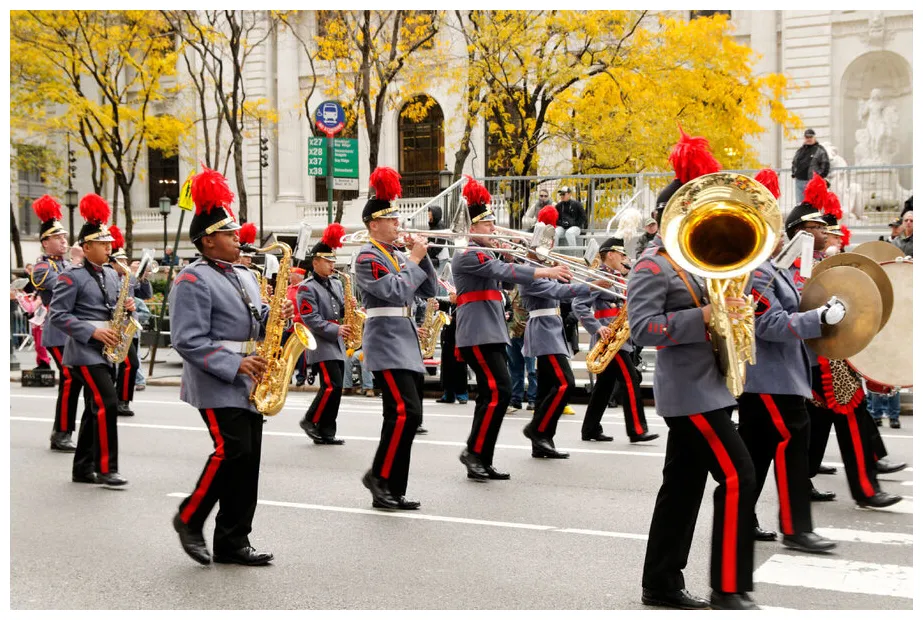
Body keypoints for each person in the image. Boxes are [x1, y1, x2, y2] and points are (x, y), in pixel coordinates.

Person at [632, 128, 759, 611]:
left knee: (682, 489)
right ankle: (728, 585)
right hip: (688, 393)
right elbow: (643, 329)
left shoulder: (701, 265)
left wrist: (733, 312)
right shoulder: (652, 267)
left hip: (709, 388)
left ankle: (660, 582)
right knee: (739, 475)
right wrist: (704, 316)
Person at [169, 165, 292, 566]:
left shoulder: (243, 273)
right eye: (230, 233)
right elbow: (187, 340)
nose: (239, 238)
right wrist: (235, 364)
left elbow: (257, 321)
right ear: (208, 241)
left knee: (248, 459)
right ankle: (189, 517)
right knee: (232, 450)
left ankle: (233, 541)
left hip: (249, 376)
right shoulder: (192, 279)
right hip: (217, 378)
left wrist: (280, 313)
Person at [737, 172, 838, 553]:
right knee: (792, 445)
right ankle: (796, 528)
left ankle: (744, 519)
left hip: (777, 379)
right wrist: (819, 318)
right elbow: (768, 324)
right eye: (776, 231)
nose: (783, 237)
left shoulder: (774, 271)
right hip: (769, 381)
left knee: (757, 456)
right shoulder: (757, 274)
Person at [787, 181, 903, 510]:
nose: (826, 232)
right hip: (805, 359)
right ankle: (861, 488)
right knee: (838, 416)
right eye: (818, 227)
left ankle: (811, 480)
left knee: (828, 420)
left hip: (828, 354)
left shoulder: (823, 265)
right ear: (801, 232)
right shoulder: (791, 269)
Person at [452, 177, 571, 481]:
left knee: (496, 394)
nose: (494, 229)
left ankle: (481, 456)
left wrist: (509, 253)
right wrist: (544, 269)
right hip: (477, 331)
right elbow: (503, 272)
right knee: (498, 391)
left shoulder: (484, 252)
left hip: (490, 330)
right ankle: (474, 453)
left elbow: (505, 279)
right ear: (473, 228)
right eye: (488, 225)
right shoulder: (467, 254)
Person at [354, 166, 437, 510]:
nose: (398, 224)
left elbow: (429, 290)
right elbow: (394, 290)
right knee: (404, 412)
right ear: (374, 224)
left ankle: (391, 486)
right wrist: (414, 259)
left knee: (407, 415)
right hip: (386, 338)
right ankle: (379, 478)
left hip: (405, 340)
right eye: (391, 220)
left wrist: (423, 254)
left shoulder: (398, 255)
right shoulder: (367, 256)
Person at [49, 193, 131, 489]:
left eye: (110, 242)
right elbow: (57, 315)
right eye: (103, 243)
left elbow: (113, 307)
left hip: (107, 349)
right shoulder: (71, 277)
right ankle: (107, 468)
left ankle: (82, 468)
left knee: (92, 409)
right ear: (86, 247)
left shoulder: (112, 275)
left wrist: (128, 309)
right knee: (108, 402)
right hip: (84, 351)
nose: (110, 247)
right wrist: (91, 331)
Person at [519, 212, 601, 459]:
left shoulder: (544, 268)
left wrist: (585, 277)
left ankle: (543, 441)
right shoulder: (530, 271)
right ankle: (537, 430)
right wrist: (591, 284)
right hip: (543, 330)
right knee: (565, 383)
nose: (549, 247)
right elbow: (559, 290)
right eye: (545, 242)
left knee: (547, 389)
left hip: (551, 328)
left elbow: (563, 291)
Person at [573, 237, 658, 443]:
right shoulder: (600, 277)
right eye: (621, 254)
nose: (625, 258)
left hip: (620, 338)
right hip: (609, 339)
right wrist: (597, 327)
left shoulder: (619, 278)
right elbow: (578, 304)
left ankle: (590, 429)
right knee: (631, 378)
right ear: (610, 254)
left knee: (605, 386)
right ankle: (636, 429)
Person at [29, 195, 81, 452]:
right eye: (58, 237)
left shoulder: (65, 264)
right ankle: (61, 433)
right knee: (71, 377)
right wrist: (76, 263)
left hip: (75, 329)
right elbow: (65, 286)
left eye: (65, 236)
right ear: (45, 242)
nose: (64, 240)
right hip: (59, 331)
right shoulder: (41, 267)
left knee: (77, 379)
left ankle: (65, 430)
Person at [297, 223, 349, 446]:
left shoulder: (336, 283)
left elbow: (341, 310)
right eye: (327, 261)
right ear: (315, 262)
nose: (331, 265)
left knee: (337, 389)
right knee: (331, 385)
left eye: (333, 261)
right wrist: (336, 329)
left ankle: (327, 431)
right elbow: (311, 319)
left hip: (337, 340)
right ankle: (310, 419)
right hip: (322, 341)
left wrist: (351, 308)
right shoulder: (306, 288)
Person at [108, 225, 153, 417]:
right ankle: (116, 401)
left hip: (129, 327)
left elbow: (146, 294)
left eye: (126, 259)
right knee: (123, 365)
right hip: (114, 327)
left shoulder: (129, 278)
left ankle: (122, 401)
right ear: (112, 262)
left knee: (130, 364)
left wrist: (143, 277)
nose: (125, 262)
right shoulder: (108, 276)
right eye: (121, 260)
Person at [434, 288, 469, 405]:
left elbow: (465, 320)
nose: (450, 297)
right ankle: (448, 394)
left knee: (460, 368)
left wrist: (452, 320)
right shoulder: (450, 305)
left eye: (452, 294)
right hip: (447, 340)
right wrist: (435, 303)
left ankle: (462, 394)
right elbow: (439, 302)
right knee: (446, 368)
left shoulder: (464, 306)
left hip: (459, 341)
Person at [505, 287, 536, 412]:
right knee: (514, 368)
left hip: (527, 331)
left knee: (532, 369)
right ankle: (516, 399)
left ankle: (533, 399)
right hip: (512, 331)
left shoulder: (528, 285)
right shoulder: (509, 287)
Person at [791, 129, 830, 203]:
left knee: (813, 205)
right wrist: (794, 173)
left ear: (814, 138)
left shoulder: (820, 150)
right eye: (807, 137)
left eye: (810, 137)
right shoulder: (800, 150)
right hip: (799, 182)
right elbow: (794, 162)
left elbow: (825, 165)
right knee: (800, 205)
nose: (808, 139)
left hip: (812, 183)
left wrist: (819, 177)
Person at [554, 186, 587, 252]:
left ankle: (574, 256)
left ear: (569, 194)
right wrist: (561, 223)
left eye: (564, 194)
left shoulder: (577, 204)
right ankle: (555, 257)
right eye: (561, 194)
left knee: (569, 233)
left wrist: (574, 223)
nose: (562, 196)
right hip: (563, 228)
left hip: (575, 228)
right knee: (555, 233)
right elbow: (555, 219)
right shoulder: (559, 206)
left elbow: (584, 217)